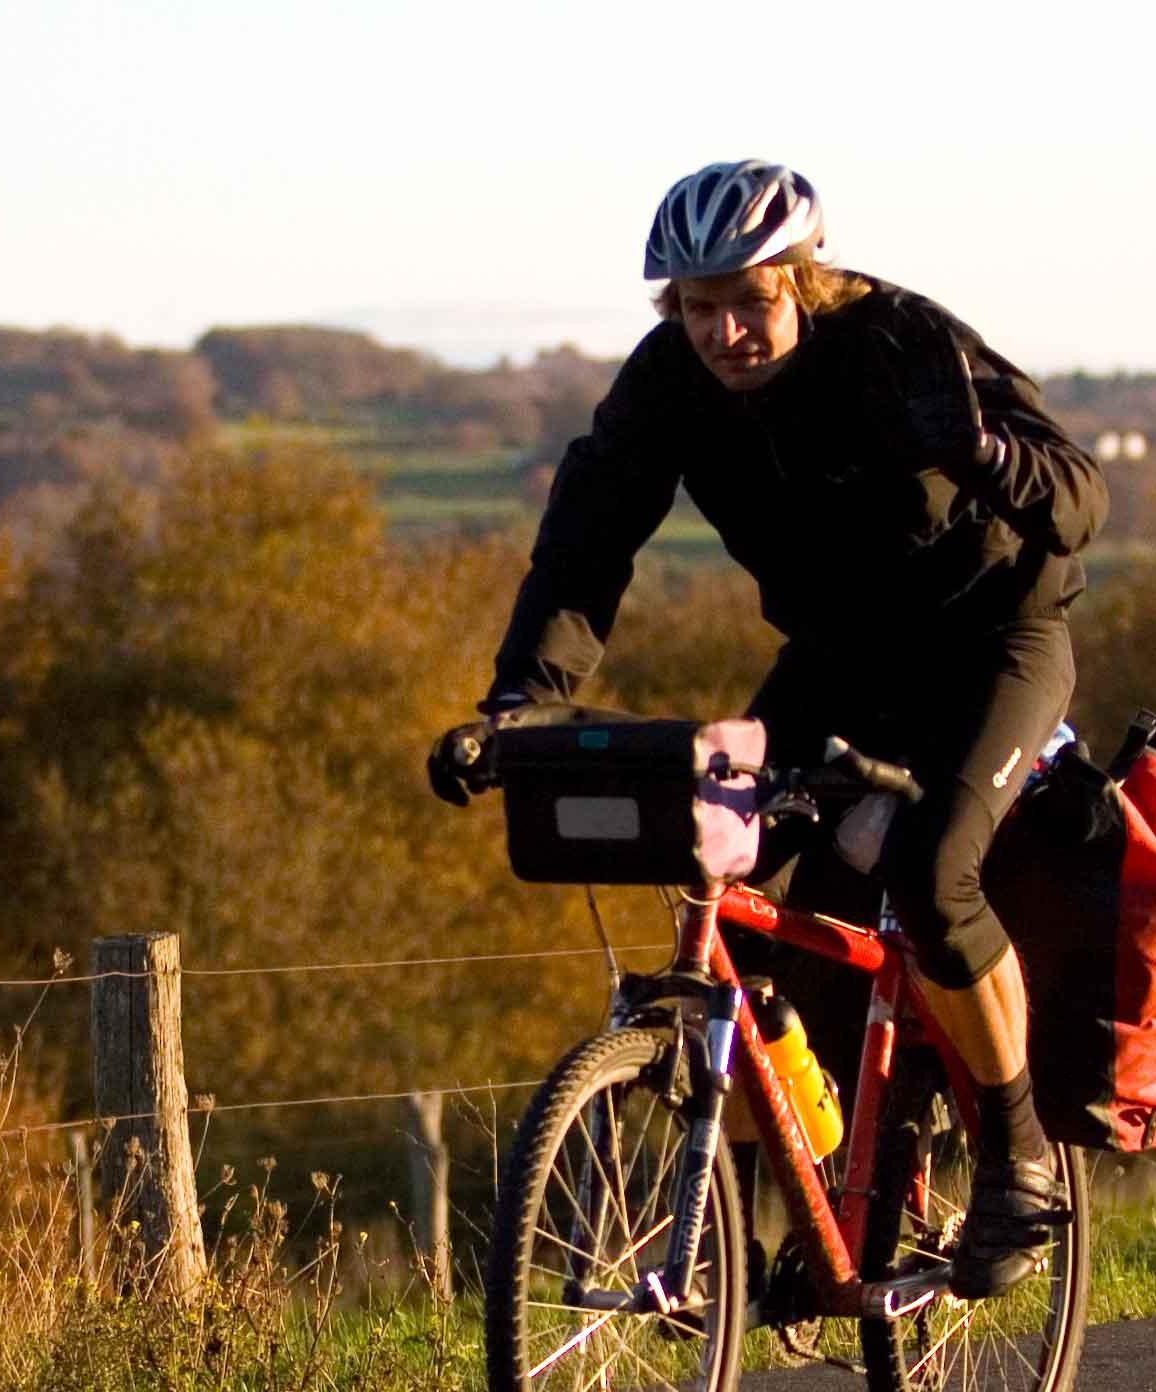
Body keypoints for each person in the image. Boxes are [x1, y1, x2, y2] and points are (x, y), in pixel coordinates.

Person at [428, 160, 1106, 1298]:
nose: (726, 331)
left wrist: (982, 453)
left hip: (993, 640)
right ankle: (781, 1204)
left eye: (750, 299)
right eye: (700, 307)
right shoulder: (667, 385)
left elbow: (1080, 497)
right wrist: (517, 702)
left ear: (802, 281)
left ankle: (1017, 1155)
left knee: (935, 878)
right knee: (721, 886)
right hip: (839, 659)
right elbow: (585, 544)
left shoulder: (901, 340)